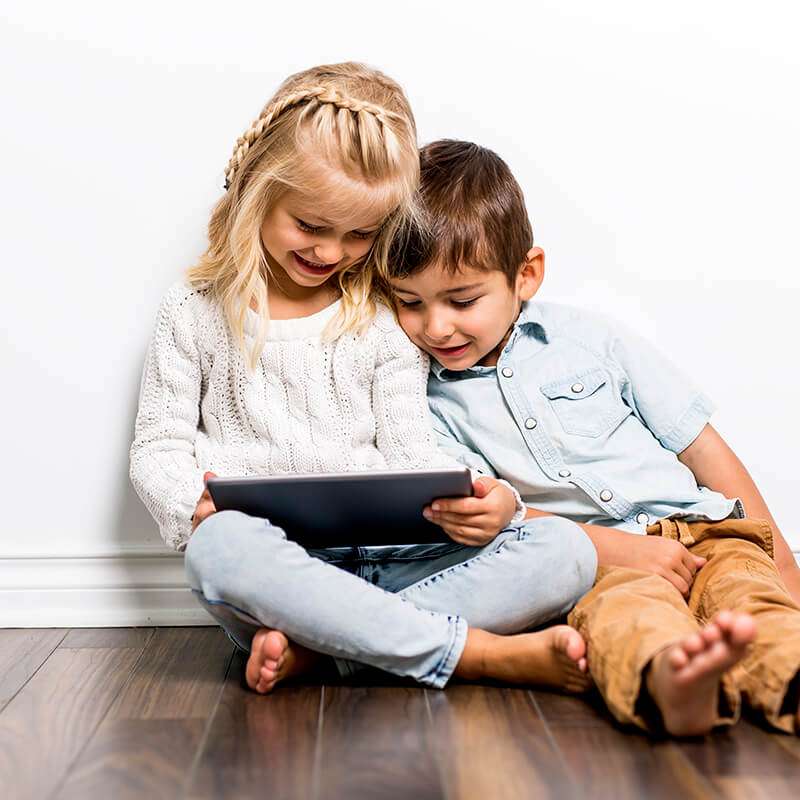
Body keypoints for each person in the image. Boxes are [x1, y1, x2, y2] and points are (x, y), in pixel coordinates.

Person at [129, 64, 597, 698]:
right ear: (256, 192)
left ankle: (326, 650)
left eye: (360, 234)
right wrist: (192, 505)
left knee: (565, 550)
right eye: (311, 226)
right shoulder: (195, 309)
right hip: (284, 574)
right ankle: (475, 654)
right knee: (218, 551)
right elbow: (158, 446)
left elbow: (410, 449)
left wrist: (487, 502)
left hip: (403, 560)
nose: (330, 252)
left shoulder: (379, 315)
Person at [384, 138, 800, 736]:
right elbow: (506, 522)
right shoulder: (428, 404)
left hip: (706, 532)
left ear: (524, 275)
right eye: (409, 303)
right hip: (602, 563)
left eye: (462, 299)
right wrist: (615, 552)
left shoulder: (592, 340)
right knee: (623, 620)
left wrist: (782, 564)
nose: (436, 326)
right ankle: (673, 684)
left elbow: (701, 446)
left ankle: (789, 675)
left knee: (750, 597)